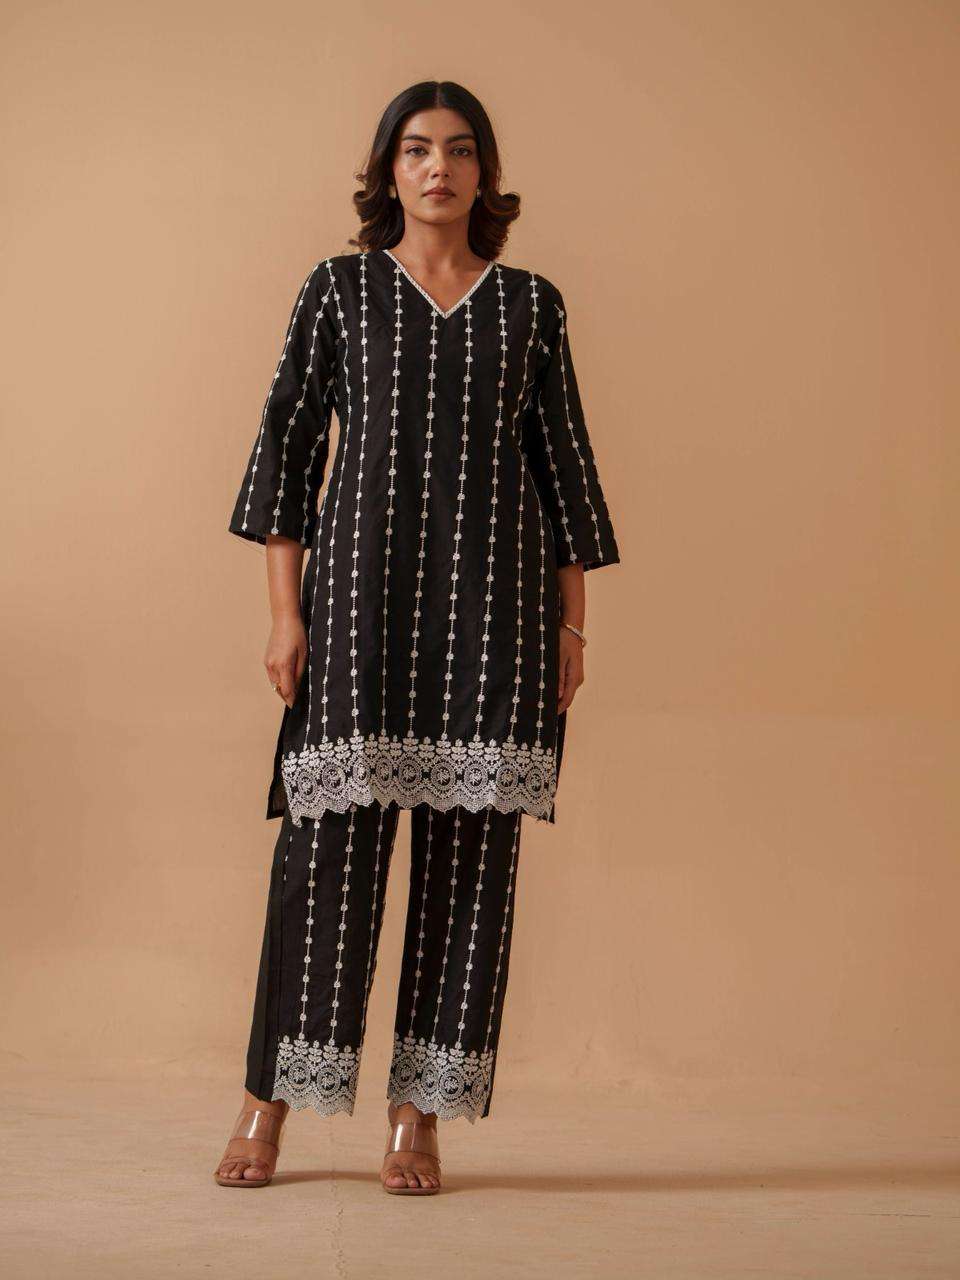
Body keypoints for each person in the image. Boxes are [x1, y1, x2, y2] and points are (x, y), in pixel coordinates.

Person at [214, 79, 621, 1196]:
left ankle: (417, 1118)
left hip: (498, 615)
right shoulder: (341, 290)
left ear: (485, 173)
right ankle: (267, 1101)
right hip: (358, 608)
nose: (438, 167)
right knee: (323, 862)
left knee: (471, 866)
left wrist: (572, 627)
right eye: (415, 149)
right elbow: (287, 452)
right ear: (388, 170)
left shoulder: (530, 306)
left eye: (459, 149)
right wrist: (285, 613)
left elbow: (564, 467)